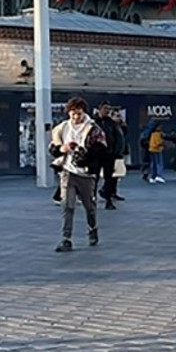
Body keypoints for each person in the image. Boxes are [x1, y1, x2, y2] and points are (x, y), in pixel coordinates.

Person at [50, 97, 108, 252]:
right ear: (69, 113)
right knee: (67, 206)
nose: (76, 117)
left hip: (86, 174)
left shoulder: (92, 129)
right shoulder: (62, 128)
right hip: (68, 171)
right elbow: (53, 148)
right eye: (73, 114)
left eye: (79, 114)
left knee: (89, 206)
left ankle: (92, 229)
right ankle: (66, 238)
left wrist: (86, 155)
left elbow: (102, 149)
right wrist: (62, 149)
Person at [93, 103, 123, 209]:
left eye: (109, 109)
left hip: (109, 154)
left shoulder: (111, 123)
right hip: (95, 154)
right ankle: (92, 198)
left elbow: (118, 137)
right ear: (99, 109)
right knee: (94, 177)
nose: (107, 111)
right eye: (105, 108)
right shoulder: (93, 122)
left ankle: (108, 199)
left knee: (109, 178)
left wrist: (116, 152)